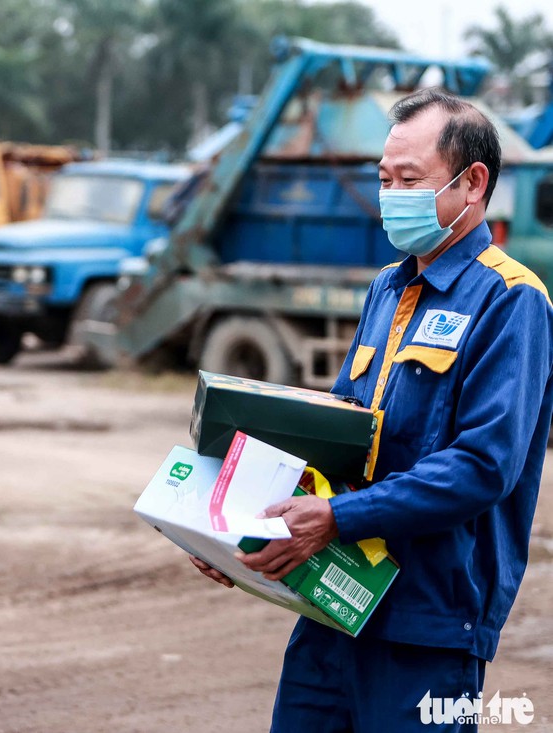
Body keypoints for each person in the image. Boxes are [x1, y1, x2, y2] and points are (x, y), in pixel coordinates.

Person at [190, 88, 553, 731]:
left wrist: (336, 517)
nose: (391, 195)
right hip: (335, 600)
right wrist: (226, 525)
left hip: (429, 626)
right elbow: (337, 432)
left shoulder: (511, 300)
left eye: (410, 180)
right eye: (384, 179)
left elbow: (483, 465)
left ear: (472, 184)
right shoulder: (387, 289)